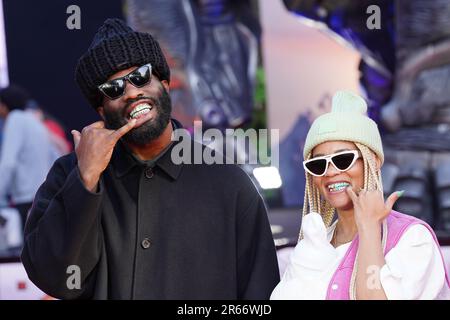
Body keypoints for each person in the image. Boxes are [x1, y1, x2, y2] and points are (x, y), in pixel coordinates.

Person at [21, 18, 279, 300]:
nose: (132, 92)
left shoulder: (227, 182)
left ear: (165, 84)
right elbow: (53, 278)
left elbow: (260, 295)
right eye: (114, 88)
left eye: (141, 76)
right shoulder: (69, 173)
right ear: (101, 110)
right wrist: (85, 180)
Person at [270, 90, 450, 300]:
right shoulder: (314, 245)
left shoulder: (413, 239)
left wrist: (368, 227)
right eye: (318, 164)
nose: (330, 172)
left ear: (372, 161)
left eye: (343, 159)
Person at [0, 85, 53, 230]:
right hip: (42, 192)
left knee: (27, 247)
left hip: (27, 196)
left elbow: (8, 163)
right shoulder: (33, 120)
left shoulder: (15, 119)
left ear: (5, 104)